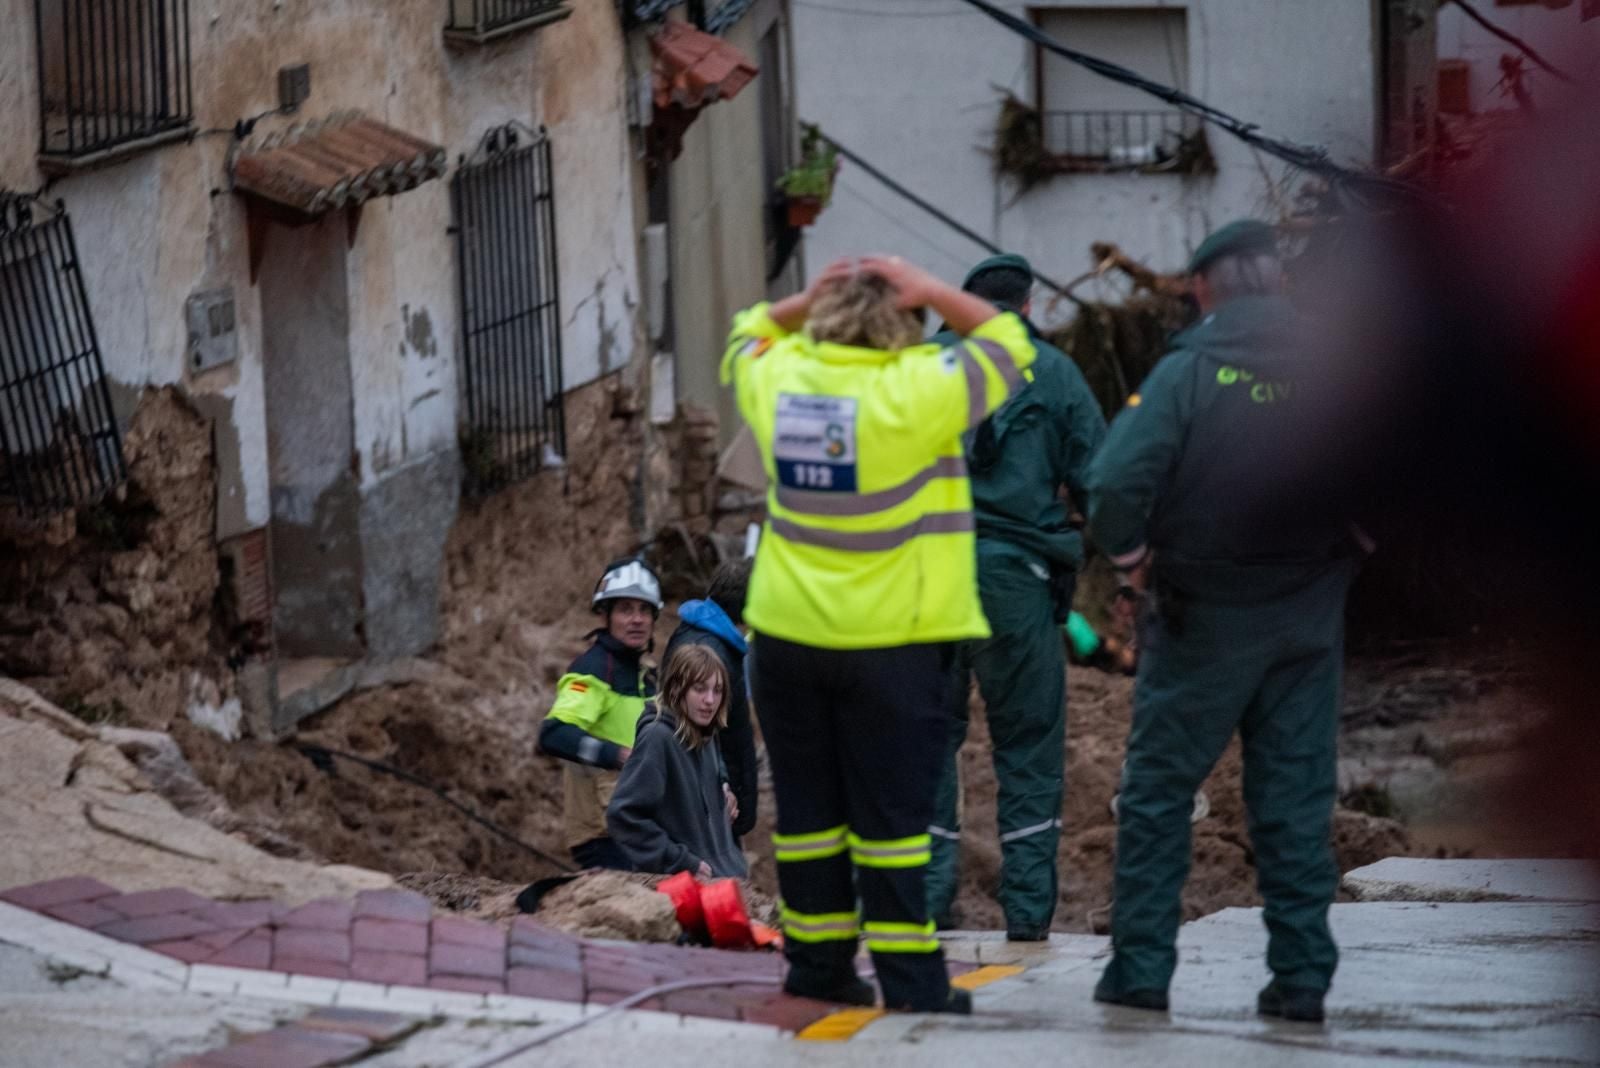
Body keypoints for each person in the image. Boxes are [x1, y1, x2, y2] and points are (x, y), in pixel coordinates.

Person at [723, 255, 1038, 1014]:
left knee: (806, 820)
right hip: (893, 648)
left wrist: (809, 295)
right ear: (902, 325)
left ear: (825, 319)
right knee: (893, 824)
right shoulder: (921, 389)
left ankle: (819, 970)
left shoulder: (781, 380)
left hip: (787, 643)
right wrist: (929, 288)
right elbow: (1009, 343)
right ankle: (911, 984)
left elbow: (745, 336)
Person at [1085, 221, 1363, 1022]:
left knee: (1160, 794)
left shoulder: (1188, 371)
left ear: (1204, 288)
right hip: (1309, 614)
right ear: (1278, 283)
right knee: (1297, 801)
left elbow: (1112, 482)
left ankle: (1140, 972)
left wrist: (1135, 559)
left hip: (1202, 615)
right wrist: (1354, 547)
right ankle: (1302, 978)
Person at [923, 254, 1107, 941]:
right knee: (1028, 748)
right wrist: (1131, 566)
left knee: (926, 742)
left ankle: (929, 900)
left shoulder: (923, 365)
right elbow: (1103, 479)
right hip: (1017, 586)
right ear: (1027, 307)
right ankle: (1028, 918)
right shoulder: (1054, 372)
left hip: (927, 580)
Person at [536, 557, 662, 870]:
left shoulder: (649, 675)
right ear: (605, 615)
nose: (637, 619)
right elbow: (554, 734)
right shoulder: (593, 669)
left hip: (644, 828)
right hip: (603, 836)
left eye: (644, 610)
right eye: (625, 609)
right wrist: (618, 755)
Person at [606, 644, 749, 878]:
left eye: (718, 690)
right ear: (676, 688)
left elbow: (712, 771)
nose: (710, 700)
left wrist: (722, 786)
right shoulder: (657, 738)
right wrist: (680, 861)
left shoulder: (707, 732)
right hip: (684, 889)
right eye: (700, 689)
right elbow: (623, 816)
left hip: (729, 878)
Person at [662, 557, 758, 842]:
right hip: (710, 808)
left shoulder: (709, 638)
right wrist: (722, 786)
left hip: (715, 802)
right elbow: (694, 731)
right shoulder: (708, 651)